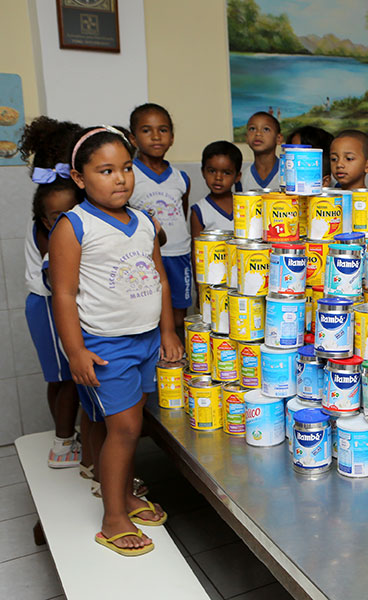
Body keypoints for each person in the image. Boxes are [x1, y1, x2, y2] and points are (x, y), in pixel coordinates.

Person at [50, 125, 183, 555]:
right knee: (124, 429)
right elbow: (64, 294)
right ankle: (113, 519)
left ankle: (125, 495)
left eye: (126, 168)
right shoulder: (74, 226)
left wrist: (167, 331)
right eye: (106, 170)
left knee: (131, 424)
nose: (120, 178)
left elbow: (160, 279)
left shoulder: (144, 221)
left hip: (146, 341)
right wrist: (76, 351)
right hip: (106, 347)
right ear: (79, 177)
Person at [18, 116, 83, 468]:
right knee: (70, 377)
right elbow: (58, 274)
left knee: (61, 377)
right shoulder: (57, 207)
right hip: (47, 304)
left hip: (49, 302)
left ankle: (66, 437)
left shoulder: (55, 198)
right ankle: (62, 444)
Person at [128, 103, 192, 329]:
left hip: (179, 255)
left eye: (163, 130)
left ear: (172, 138)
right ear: (133, 139)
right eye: (146, 130)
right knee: (150, 314)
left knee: (178, 317)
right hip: (146, 257)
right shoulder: (128, 175)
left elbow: (181, 214)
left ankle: (176, 361)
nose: (156, 136)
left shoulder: (181, 178)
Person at [190, 141, 242, 237]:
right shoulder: (200, 210)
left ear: (237, 176)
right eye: (212, 171)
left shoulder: (245, 206)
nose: (218, 177)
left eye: (226, 173)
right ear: (203, 172)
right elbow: (197, 249)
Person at [236, 111, 281, 191]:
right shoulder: (242, 178)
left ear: (278, 139)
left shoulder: (288, 173)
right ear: (246, 138)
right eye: (252, 129)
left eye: (266, 129)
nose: (258, 133)